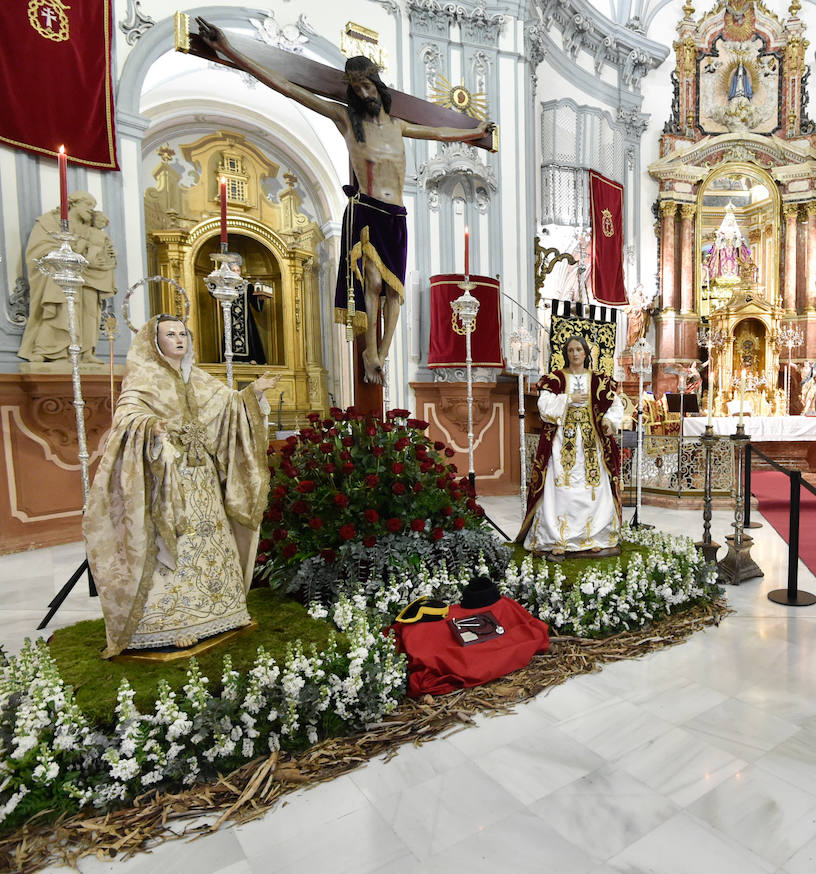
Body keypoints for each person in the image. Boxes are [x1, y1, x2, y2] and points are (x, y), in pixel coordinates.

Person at [197, 20, 491, 386]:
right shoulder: (346, 120)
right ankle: (368, 350)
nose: (364, 91)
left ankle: (381, 353)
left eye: (368, 84)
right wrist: (230, 50)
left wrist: (475, 132)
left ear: (377, 86)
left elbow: (440, 131)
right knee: (371, 281)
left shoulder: (398, 124)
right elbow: (289, 88)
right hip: (367, 207)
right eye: (357, 87)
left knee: (394, 289)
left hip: (396, 213)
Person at [85, 315, 277, 658]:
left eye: (182, 333)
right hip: (168, 477)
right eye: (170, 334)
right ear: (154, 341)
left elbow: (228, 408)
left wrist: (253, 393)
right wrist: (150, 428)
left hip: (202, 478)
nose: (178, 339)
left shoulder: (199, 378)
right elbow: (126, 417)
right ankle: (174, 622)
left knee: (211, 540)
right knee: (175, 540)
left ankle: (223, 611)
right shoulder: (144, 378)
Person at [517, 336, 627, 559]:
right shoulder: (555, 379)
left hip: (591, 440)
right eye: (570, 350)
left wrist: (609, 421)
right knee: (562, 486)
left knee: (593, 488)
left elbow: (615, 404)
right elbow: (544, 406)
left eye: (578, 350)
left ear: (586, 353)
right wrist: (567, 399)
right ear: (565, 354)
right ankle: (559, 538)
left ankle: (596, 536)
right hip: (562, 440)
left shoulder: (599, 380)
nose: (575, 354)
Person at [19, 192, 116, 365]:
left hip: (87, 272)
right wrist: (66, 255)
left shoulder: (90, 228)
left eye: (93, 207)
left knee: (90, 307)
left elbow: (103, 251)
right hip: (60, 272)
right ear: (73, 204)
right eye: (87, 205)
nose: (91, 211)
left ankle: (85, 350)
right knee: (60, 301)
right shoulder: (49, 222)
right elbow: (38, 250)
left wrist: (103, 258)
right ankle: (49, 349)